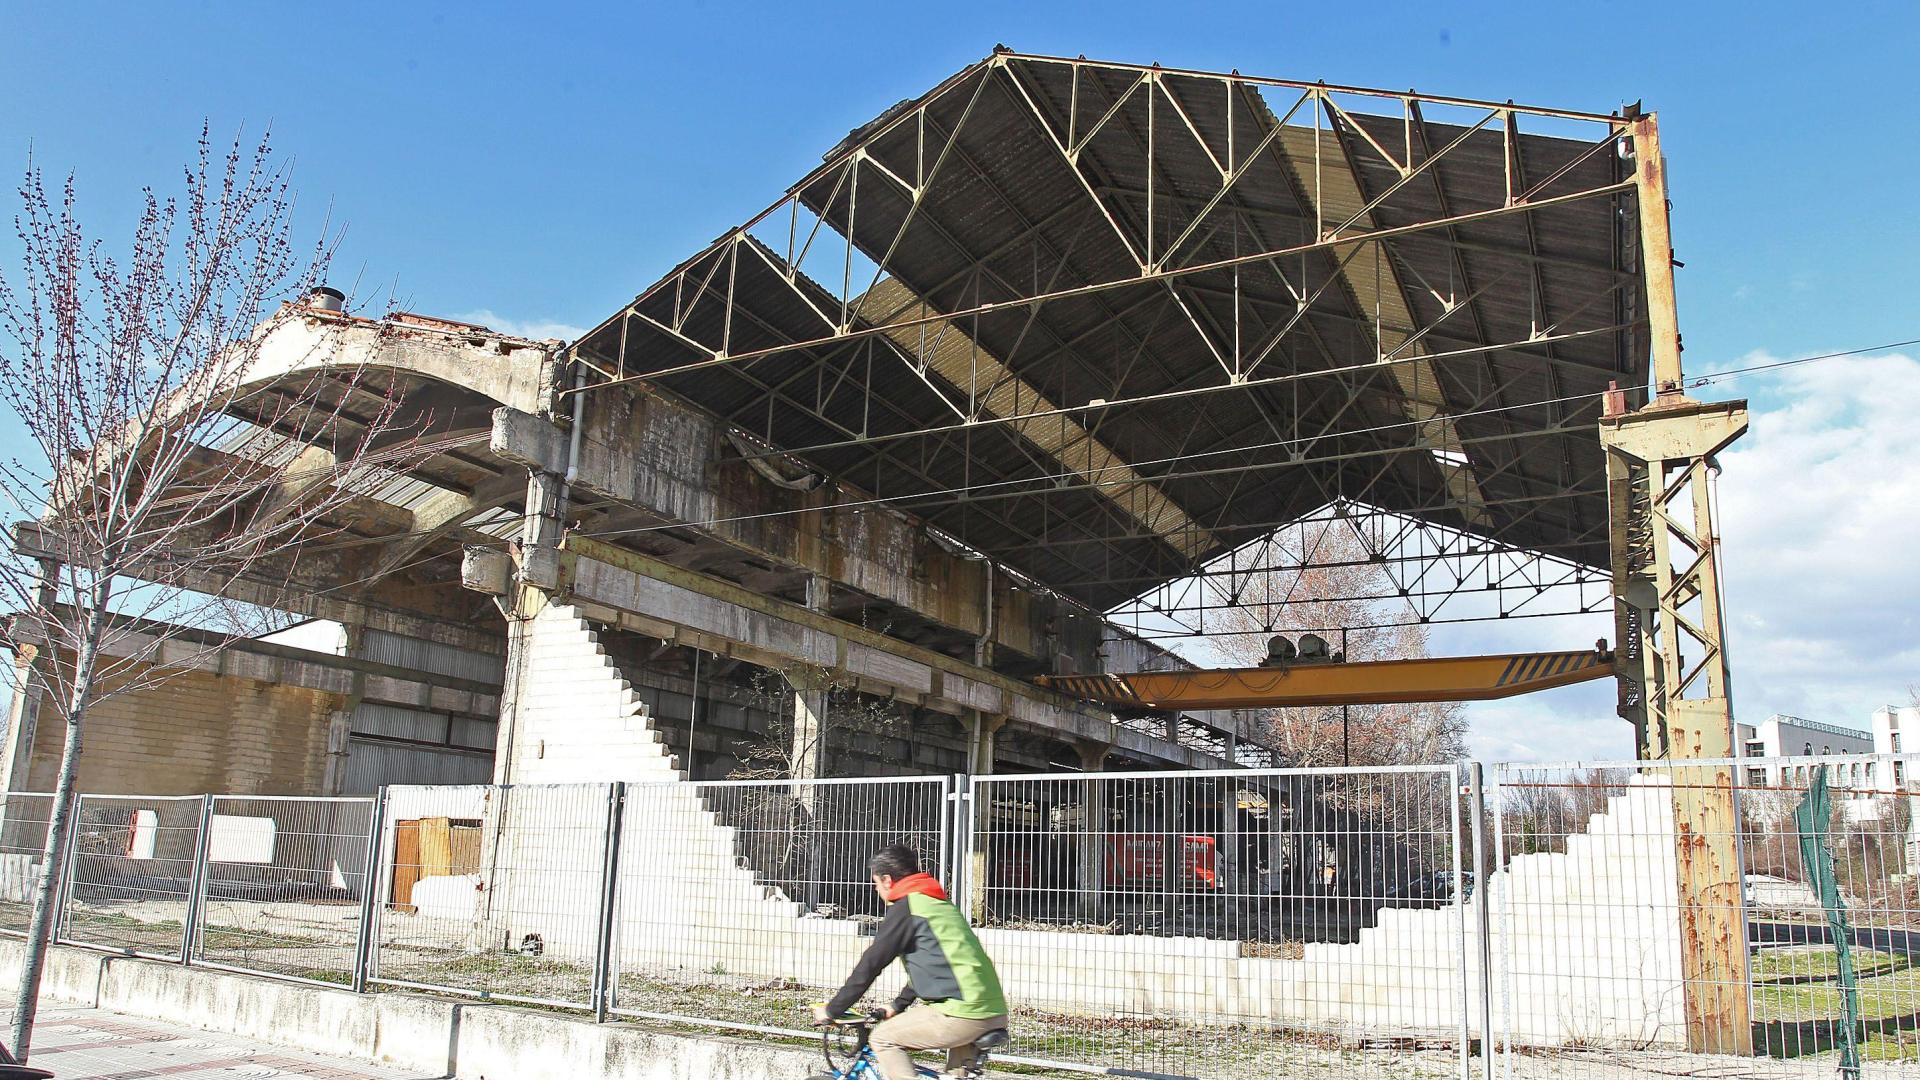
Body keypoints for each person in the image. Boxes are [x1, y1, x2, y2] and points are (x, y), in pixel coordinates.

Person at [813, 844, 1008, 1079]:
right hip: (991, 1011)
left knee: (883, 1039)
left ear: (886, 880)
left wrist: (833, 1010)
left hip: (962, 1013)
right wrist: (897, 1005)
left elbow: (871, 964)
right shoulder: (936, 904)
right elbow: (937, 966)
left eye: (875, 883)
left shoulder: (907, 908)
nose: (877, 890)